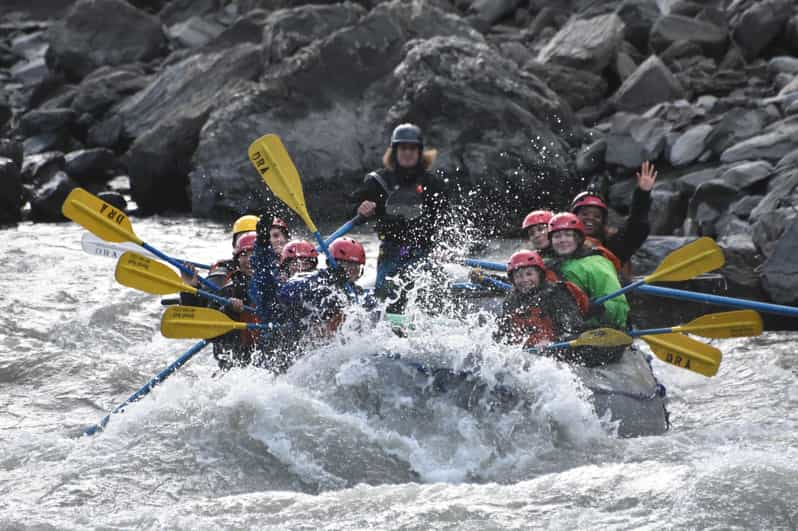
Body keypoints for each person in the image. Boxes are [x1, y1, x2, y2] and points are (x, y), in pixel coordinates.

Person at [354, 123, 450, 308]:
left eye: (412, 148)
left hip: (423, 254)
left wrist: (445, 246)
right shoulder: (378, 182)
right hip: (391, 255)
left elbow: (445, 220)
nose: (407, 153)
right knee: (388, 294)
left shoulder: (433, 183)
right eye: (403, 148)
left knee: (434, 291)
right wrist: (360, 208)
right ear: (395, 151)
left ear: (420, 152)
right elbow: (350, 209)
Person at [267, 237, 374, 371]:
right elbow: (286, 292)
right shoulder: (319, 284)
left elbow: (374, 312)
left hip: (344, 350)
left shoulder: (361, 295)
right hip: (307, 350)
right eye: (346, 265)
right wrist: (328, 277)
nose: (351, 270)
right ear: (331, 264)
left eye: (355, 266)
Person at [570, 161, 657, 273]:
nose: (590, 218)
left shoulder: (613, 245)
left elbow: (637, 227)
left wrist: (643, 194)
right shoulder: (562, 241)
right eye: (584, 214)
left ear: (603, 221)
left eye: (597, 216)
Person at [547, 213, 630, 329]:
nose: (562, 240)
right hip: (563, 331)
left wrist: (600, 308)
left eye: (568, 235)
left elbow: (619, 307)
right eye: (557, 236)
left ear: (579, 239)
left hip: (597, 330)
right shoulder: (548, 265)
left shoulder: (596, 264)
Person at [494, 250, 587, 348]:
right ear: (513, 280)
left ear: (539, 274)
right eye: (519, 276)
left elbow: (572, 326)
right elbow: (504, 332)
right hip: (526, 350)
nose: (525, 280)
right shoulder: (511, 301)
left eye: (529, 274)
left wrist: (553, 342)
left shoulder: (555, 293)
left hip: (557, 346)